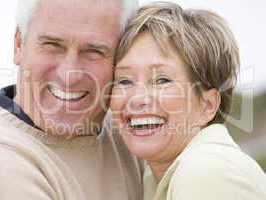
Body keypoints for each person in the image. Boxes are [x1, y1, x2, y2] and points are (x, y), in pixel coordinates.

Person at [0, 0, 143, 199]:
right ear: (18, 44)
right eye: (52, 45)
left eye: (94, 51)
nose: (69, 74)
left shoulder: (135, 136)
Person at [110, 2, 266, 200]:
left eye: (162, 80)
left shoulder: (205, 172)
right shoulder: (158, 176)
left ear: (207, 105)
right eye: (124, 80)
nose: (137, 99)